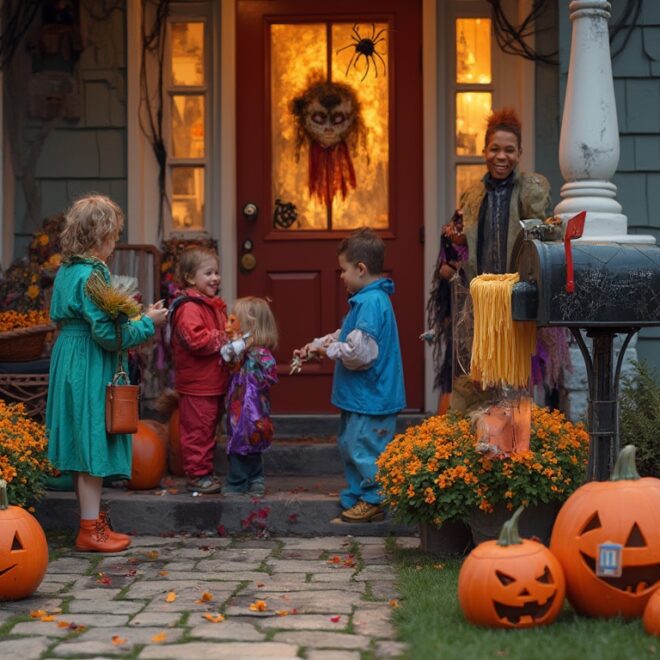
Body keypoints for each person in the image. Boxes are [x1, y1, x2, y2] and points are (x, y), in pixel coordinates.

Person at [46, 194, 168, 553]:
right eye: (114, 236)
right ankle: (89, 529)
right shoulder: (94, 274)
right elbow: (106, 333)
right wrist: (148, 322)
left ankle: (91, 521)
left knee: (81, 442)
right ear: (100, 237)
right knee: (92, 440)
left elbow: (81, 317)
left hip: (68, 357)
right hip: (89, 362)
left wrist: (130, 312)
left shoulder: (67, 271)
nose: (115, 243)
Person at [427, 108, 554, 412]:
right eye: (494, 149)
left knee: (514, 375)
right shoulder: (472, 196)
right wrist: (451, 262)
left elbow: (541, 237)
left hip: (515, 299)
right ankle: (474, 437)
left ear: (519, 153)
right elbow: (457, 242)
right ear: (484, 151)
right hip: (479, 301)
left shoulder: (530, 190)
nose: (501, 156)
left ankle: (515, 438)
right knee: (476, 374)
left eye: (509, 150)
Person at [294, 227, 405, 523]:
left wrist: (331, 351)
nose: (341, 276)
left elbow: (360, 353)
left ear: (360, 268)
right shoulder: (366, 299)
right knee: (351, 444)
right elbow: (348, 336)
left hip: (372, 397)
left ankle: (373, 498)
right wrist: (320, 344)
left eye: (343, 270)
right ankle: (357, 493)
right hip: (360, 397)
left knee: (365, 447)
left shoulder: (371, 303)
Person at [169, 246, 229, 494]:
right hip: (197, 385)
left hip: (213, 381)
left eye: (217, 272)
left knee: (208, 428)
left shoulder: (211, 305)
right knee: (198, 430)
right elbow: (196, 340)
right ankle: (196, 474)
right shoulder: (189, 308)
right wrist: (225, 337)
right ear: (191, 278)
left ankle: (205, 470)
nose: (215, 278)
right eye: (208, 273)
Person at [220, 297, 278, 497]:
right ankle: (239, 479)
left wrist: (249, 354)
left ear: (250, 325)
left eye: (234, 320)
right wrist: (236, 350)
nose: (229, 324)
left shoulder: (261, 353)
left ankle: (254, 478)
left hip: (255, 406)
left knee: (254, 438)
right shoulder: (238, 350)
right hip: (237, 403)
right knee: (237, 439)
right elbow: (228, 362)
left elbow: (269, 376)